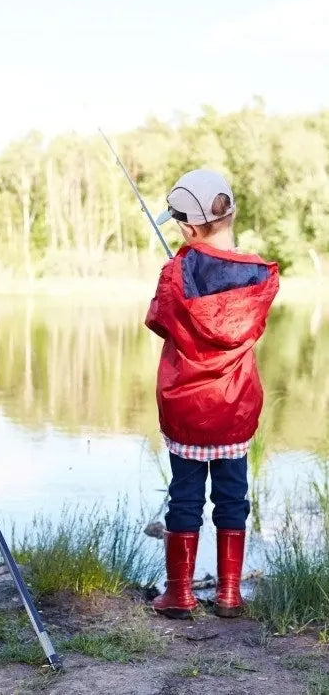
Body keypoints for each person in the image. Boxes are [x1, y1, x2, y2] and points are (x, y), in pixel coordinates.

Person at [145, 169, 279, 619]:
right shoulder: (260, 275)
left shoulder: (175, 271)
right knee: (232, 495)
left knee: (185, 495)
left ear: (185, 226)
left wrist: (182, 263)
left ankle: (180, 595)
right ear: (231, 212)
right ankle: (229, 595)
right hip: (235, 405)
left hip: (186, 405)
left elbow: (160, 320)